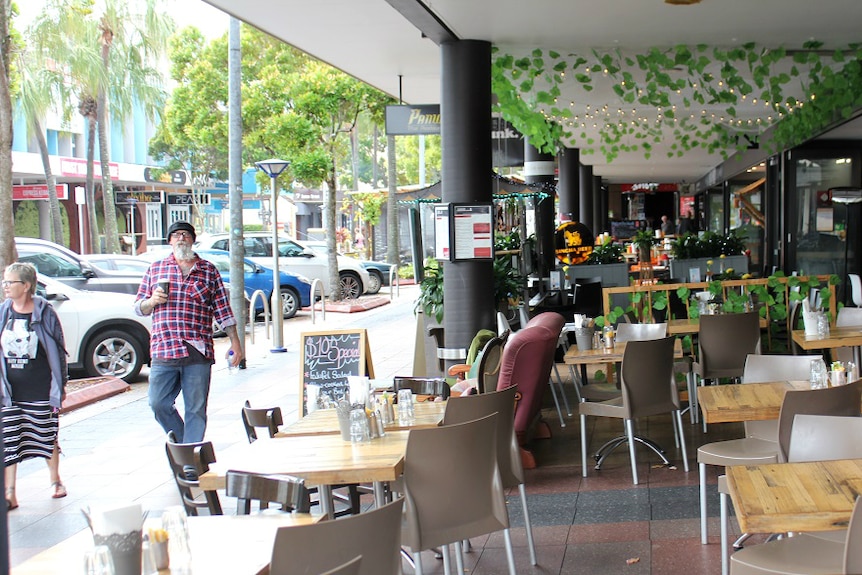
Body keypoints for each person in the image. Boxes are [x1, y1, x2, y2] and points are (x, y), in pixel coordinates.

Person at [135, 221, 242, 443]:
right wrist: (152, 301)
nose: (181, 238)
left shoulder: (208, 270)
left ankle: (191, 456)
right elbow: (139, 307)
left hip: (197, 351)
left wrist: (236, 343)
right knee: (158, 403)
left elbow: (222, 309)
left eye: (185, 234)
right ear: (169, 241)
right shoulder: (156, 269)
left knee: (196, 409)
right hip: (164, 348)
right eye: (176, 235)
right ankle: (188, 447)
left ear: (193, 240)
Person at [0, 262, 68, 509]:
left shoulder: (45, 313)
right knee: (8, 439)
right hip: (10, 390)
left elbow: (58, 353)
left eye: (10, 282)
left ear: (26, 285)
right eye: (4, 281)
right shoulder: (3, 312)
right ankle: (10, 492)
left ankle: (55, 480)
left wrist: (59, 387)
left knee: (45, 434)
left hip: (40, 386)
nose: (5, 286)